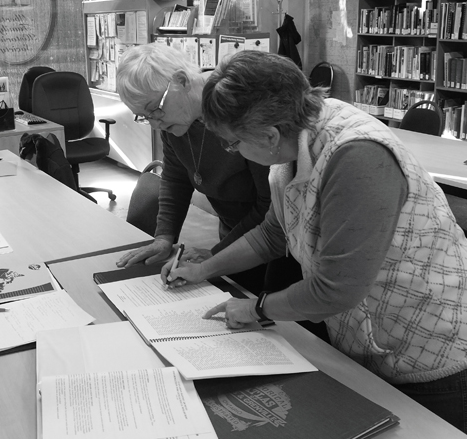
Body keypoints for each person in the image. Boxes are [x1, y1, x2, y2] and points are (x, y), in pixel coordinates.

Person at [161, 50, 467, 433]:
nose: (232, 151)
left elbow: (335, 290)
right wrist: (203, 268)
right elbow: (273, 233)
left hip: (429, 349)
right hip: (367, 338)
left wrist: (256, 309)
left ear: (268, 136)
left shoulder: (356, 156)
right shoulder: (291, 138)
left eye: (232, 143)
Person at [114, 43, 272, 294]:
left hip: (274, 239)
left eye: (155, 110)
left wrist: (215, 256)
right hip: (234, 232)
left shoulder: (239, 108)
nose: (155, 123)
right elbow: (176, 178)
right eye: (144, 116)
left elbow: (269, 205)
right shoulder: (175, 120)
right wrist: (164, 237)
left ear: (181, 81)